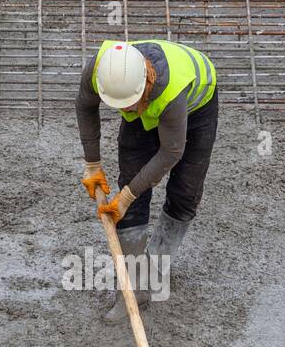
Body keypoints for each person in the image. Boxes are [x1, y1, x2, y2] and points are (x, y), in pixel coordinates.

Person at [75, 38, 219, 321]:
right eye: (121, 107)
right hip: (153, 104)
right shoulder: (101, 69)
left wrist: (126, 197)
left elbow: (170, 152)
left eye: (130, 105)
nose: (126, 111)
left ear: (145, 85)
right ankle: (134, 289)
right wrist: (92, 164)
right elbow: (84, 106)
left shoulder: (171, 91)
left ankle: (153, 271)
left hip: (197, 104)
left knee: (185, 192)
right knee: (130, 179)